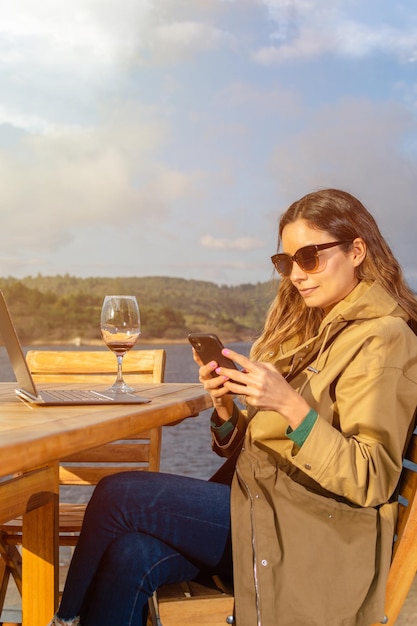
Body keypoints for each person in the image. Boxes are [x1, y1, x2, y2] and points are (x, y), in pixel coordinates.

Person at [48, 188, 417, 626]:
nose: (297, 274)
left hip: (309, 530)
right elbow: (269, 444)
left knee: (119, 495)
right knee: (132, 554)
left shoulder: (385, 338)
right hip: (264, 502)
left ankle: (60, 622)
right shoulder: (315, 330)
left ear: (356, 251)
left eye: (310, 257)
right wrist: (225, 407)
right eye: (287, 262)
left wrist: (290, 405)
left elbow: (371, 477)